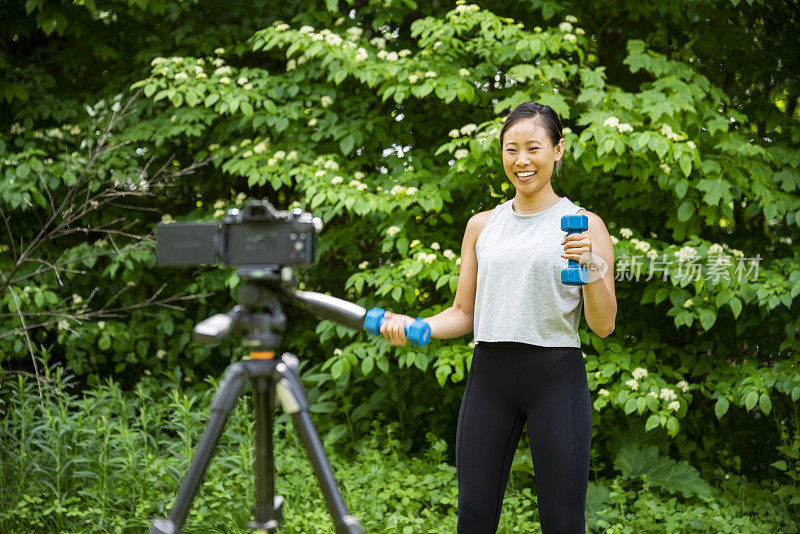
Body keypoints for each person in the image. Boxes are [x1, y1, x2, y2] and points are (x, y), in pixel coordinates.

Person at [380, 101, 617, 533]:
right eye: (511, 149)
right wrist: (416, 327)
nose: (521, 160)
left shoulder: (586, 225)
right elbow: (462, 312)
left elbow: (603, 325)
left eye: (533, 148)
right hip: (489, 377)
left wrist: (590, 270)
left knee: (563, 521)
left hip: (556, 376)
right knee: (473, 516)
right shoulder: (481, 225)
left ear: (558, 150)